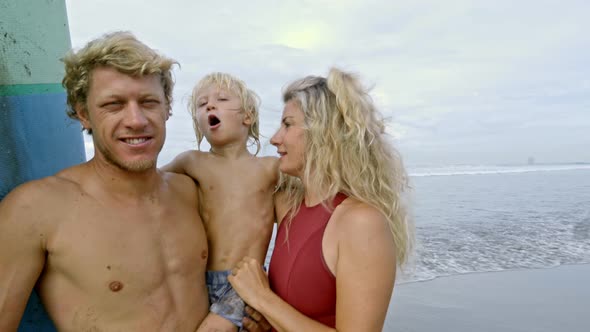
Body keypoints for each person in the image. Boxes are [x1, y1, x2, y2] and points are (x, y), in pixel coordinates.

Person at [0, 32, 268, 332]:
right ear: (84, 114)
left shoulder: (190, 192)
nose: (136, 120)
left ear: (167, 108)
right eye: (113, 104)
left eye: (149, 102)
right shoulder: (36, 209)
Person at [228, 68, 414, 331]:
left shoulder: (361, 222)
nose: (275, 138)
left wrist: (263, 298)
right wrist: (272, 324)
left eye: (288, 124)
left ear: (323, 132)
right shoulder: (290, 209)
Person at [162, 73, 278, 331]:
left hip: (244, 280)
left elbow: (311, 178)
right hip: (197, 280)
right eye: (202, 105)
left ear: (247, 116)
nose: (210, 106)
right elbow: (149, 183)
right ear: (198, 123)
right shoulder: (191, 162)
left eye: (221, 99)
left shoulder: (269, 168)